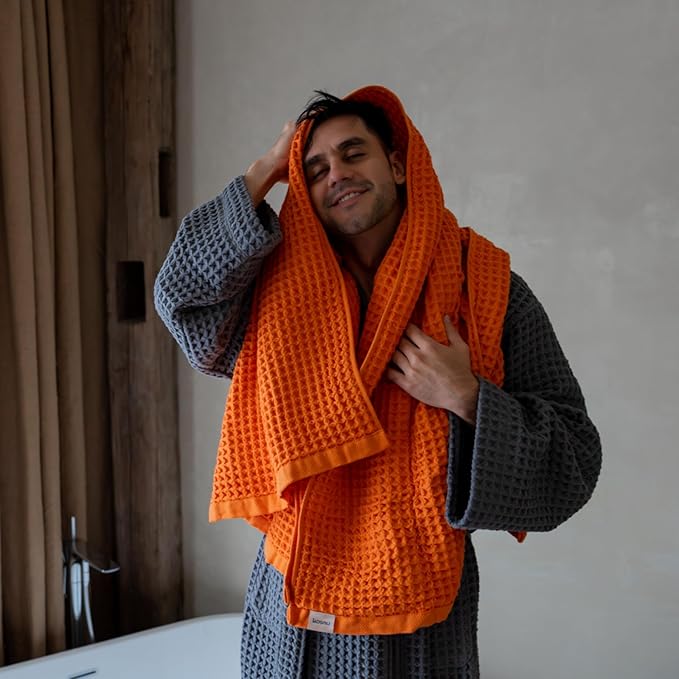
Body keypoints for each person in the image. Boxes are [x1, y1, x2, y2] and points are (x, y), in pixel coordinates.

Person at [154, 85, 601, 678]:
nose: (337, 174)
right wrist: (266, 168)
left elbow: (574, 459)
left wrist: (467, 396)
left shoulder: (484, 287)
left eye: (353, 153)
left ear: (398, 164)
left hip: (421, 619)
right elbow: (179, 297)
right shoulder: (272, 295)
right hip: (289, 608)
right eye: (315, 169)